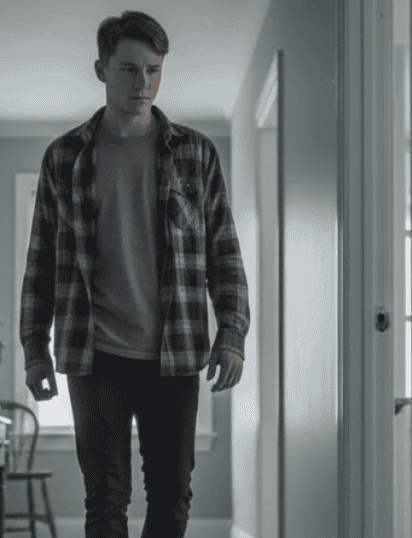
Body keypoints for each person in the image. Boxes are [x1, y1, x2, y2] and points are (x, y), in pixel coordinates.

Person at [19, 11, 250, 538]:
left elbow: (224, 251)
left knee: (172, 496)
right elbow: (41, 261)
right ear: (101, 69)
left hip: (175, 352)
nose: (142, 83)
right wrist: (35, 348)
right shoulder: (65, 157)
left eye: (153, 69)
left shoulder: (195, 154)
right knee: (105, 498)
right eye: (128, 69)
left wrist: (232, 333)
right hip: (93, 352)